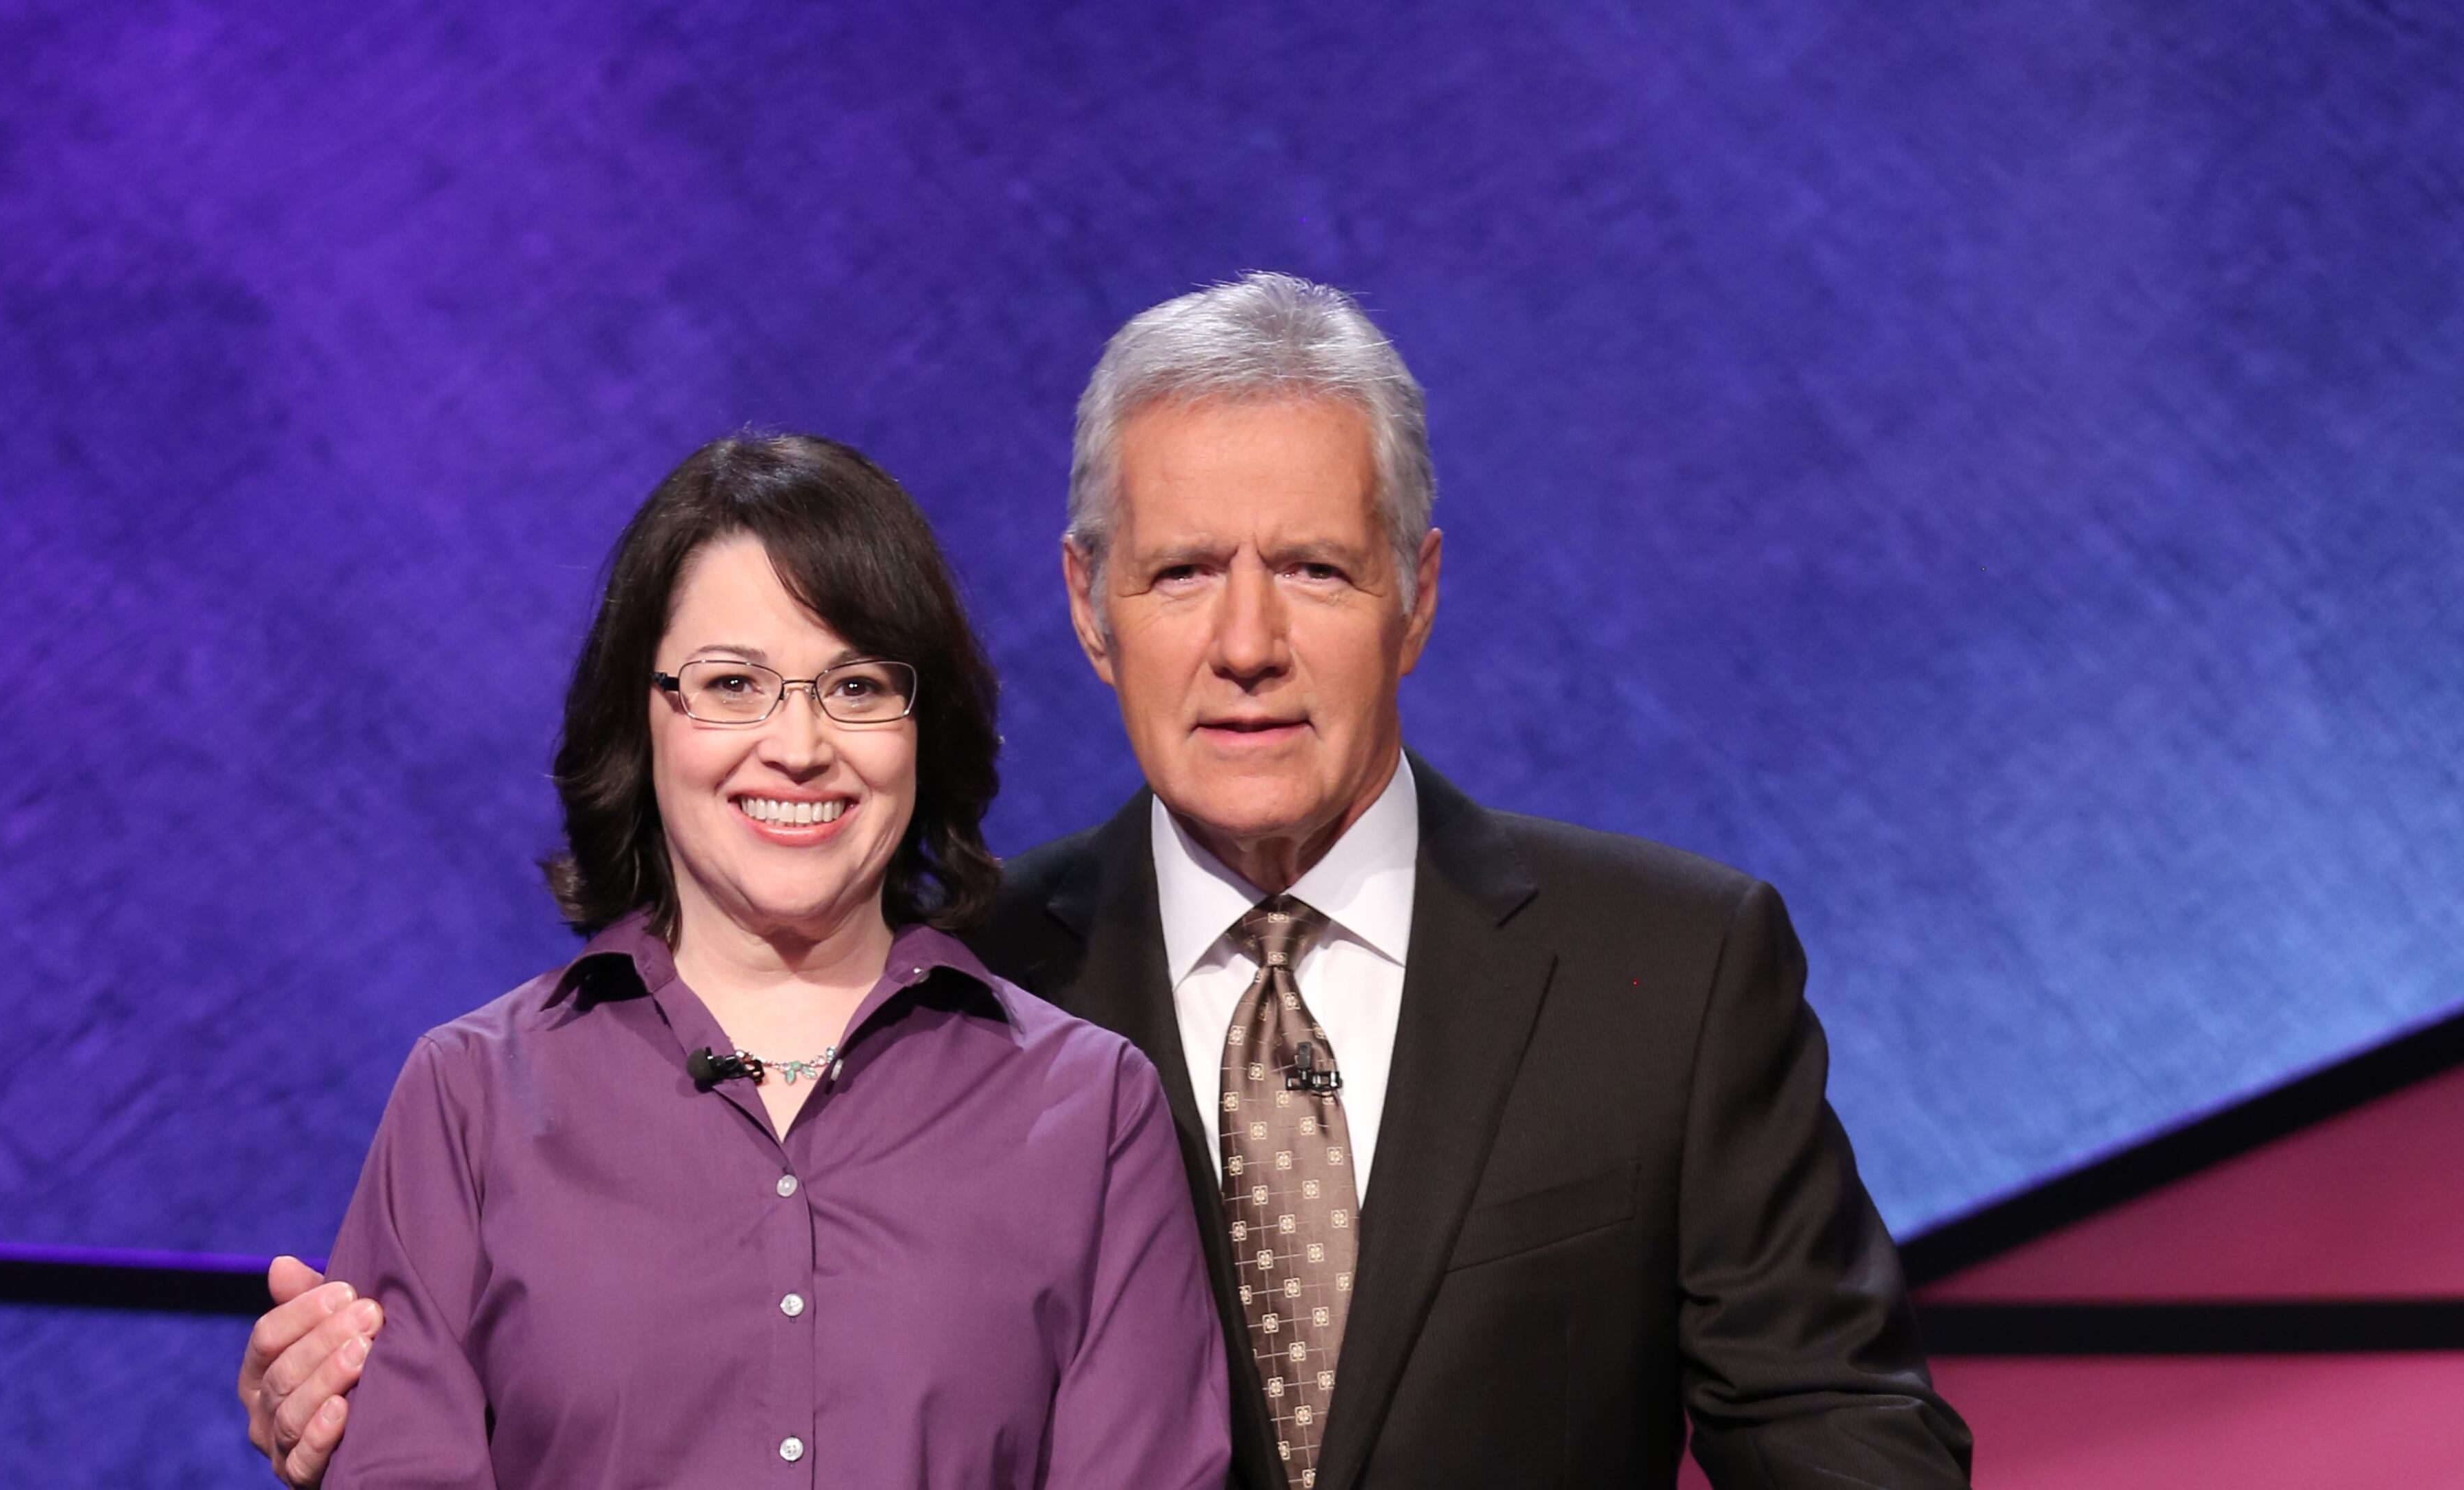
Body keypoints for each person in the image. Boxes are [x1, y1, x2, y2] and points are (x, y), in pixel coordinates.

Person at [246, 275, 1974, 1489]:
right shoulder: (947, 992)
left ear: (1420, 592)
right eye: (1179, 573)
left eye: (1310, 567)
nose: (1243, 645)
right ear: (1086, 606)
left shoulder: (1666, 971)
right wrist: (347, 1399)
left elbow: (1843, 1439)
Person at [279, 433, 1229, 1489]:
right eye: (732, 684)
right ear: (640, 721)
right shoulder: (469, 1102)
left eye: (857, 688)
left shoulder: (1091, 1111)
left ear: (925, 731)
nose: (799, 745)